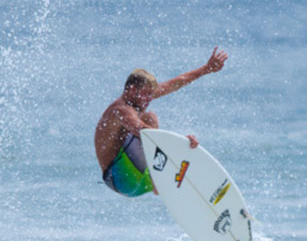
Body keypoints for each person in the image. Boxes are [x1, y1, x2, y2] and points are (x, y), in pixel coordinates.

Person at [95, 47, 228, 197]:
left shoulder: (139, 98)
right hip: (120, 177)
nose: (148, 100)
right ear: (131, 89)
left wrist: (206, 69)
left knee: (149, 121)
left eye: (151, 95)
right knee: (149, 118)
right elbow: (142, 130)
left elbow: (175, 83)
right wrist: (181, 143)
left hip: (135, 180)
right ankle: (161, 177)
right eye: (146, 95)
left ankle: (166, 180)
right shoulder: (121, 110)